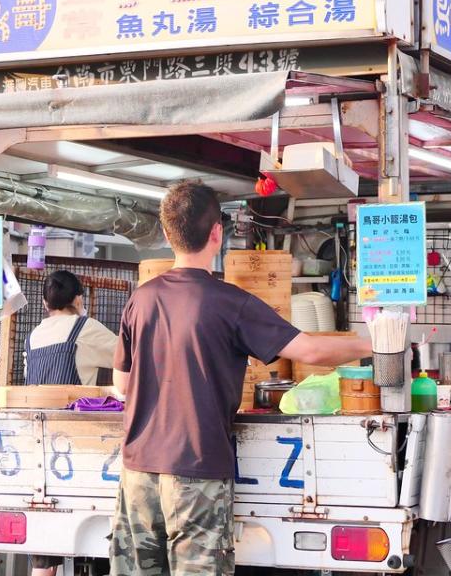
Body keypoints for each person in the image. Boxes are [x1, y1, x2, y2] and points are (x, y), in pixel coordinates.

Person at [110, 181, 372, 576]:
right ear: (218, 233)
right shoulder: (231, 303)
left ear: (166, 234)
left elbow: (123, 386)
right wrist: (372, 342)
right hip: (196, 470)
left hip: (137, 472)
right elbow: (312, 352)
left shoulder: (141, 299)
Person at [26, 270, 118, 576]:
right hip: (79, 446)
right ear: (78, 299)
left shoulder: (34, 335)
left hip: (39, 444)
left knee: (44, 542)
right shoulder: (85, 328)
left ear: (44, 303)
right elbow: (125, 357)